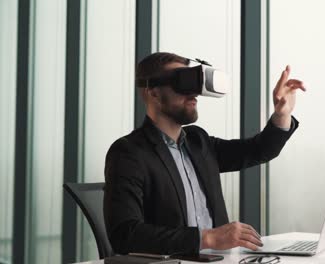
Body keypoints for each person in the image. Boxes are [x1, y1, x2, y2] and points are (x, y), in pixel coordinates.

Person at [104, 52, 306, 255]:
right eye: (182, 83)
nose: (194, 93)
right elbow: (125, 234)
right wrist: (207, 238)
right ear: (154, 93)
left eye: (194, 84)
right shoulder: (129, 152)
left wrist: (282, 115)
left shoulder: (197, 141)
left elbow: (259, 150)